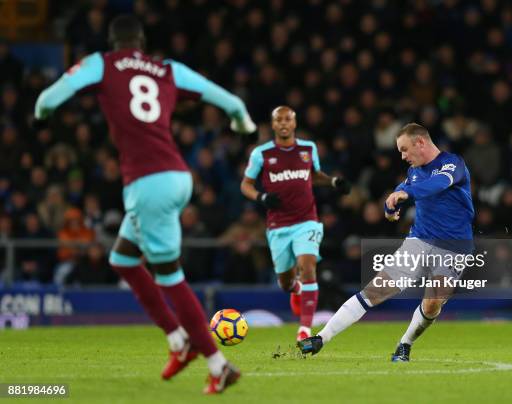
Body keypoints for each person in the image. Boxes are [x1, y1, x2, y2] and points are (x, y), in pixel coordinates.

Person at [34, 14, 256, 394]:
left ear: (112, 41)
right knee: (122, 259)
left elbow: (47, 99)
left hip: (149, 184)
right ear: (141, 42)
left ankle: (218, 364)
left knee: (170, 277)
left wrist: (42, 116)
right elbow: (232, 102)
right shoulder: (168, 69)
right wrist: (243, 126)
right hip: (175, 176)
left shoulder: (100, 64)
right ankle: (176, 340)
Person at [299, 123, 475, 362]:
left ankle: (405, 343)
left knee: (432, 304)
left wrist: (406, 194)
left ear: (420, 142)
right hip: (419, 242)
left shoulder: (452, 164)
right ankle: (321, 338)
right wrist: (390, 205)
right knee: (375, 290)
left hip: (454, 247)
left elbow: (437, 184)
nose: (402, 156)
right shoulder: (414, 172)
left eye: (404, 149)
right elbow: (398, 192)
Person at [240, 106, 351, 341]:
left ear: (294, 123)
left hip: (306, 220)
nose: (283, 123)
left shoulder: (308, 149)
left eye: (287, 119)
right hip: (278, 226)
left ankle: (304, 330)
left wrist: (332, 182)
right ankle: (296, 289)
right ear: (273, 125)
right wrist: (261, 197)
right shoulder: (261, 153)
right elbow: (246, 185)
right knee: (286, 282)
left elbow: (314, 175)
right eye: (278, 119)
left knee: (308, 266)